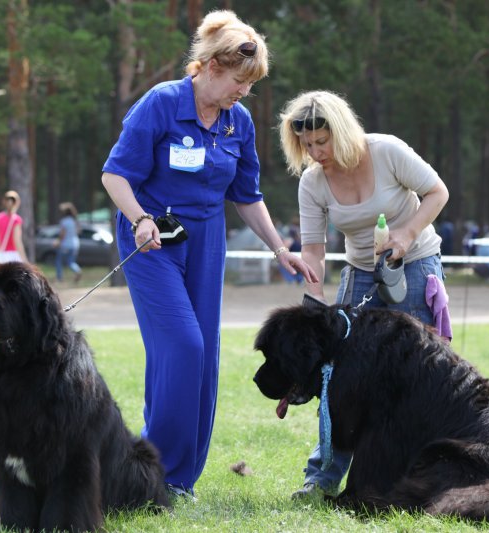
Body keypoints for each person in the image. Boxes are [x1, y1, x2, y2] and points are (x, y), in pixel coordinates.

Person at [100, 10, 317, 500]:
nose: (245, 92)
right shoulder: (160, 104)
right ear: (210, 67)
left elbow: (247, 195)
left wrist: (280, 248)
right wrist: (139, 219)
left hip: (206, 241)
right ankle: (155, 474)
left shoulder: (236, 122)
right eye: (240, 80)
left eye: (251, 83)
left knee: (204, 358)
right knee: (181, 346)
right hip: (151, 238)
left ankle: (177, 480)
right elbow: (115, 175)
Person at [278, 90, 450, 499]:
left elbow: (437, 192)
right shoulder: (312, 182)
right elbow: (314, 251)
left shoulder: (387, 151)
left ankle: (413, 478)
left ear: (341, 131)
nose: (316, 152)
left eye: (323, 141)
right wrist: (314, 296)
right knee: (339, 382)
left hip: (416, 264)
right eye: (307, 145)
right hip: (359, 274)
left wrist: (406, 235)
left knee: (417, 378)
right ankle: (320, 481)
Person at [0, 190, 28, 265]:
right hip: (13, 256)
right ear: (17, 203)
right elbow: (17, 241)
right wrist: (24, 259)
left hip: (0, 256)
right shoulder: (16, 219)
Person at [54, 202, 82, 283]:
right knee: (71, 262)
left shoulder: (64, 221)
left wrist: (57, 242)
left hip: (65, 245)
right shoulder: (74, 221)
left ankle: (59, 278)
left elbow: (62, 234)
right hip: (75, 244)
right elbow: (79, 231)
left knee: (58, 261)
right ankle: (77, 270)